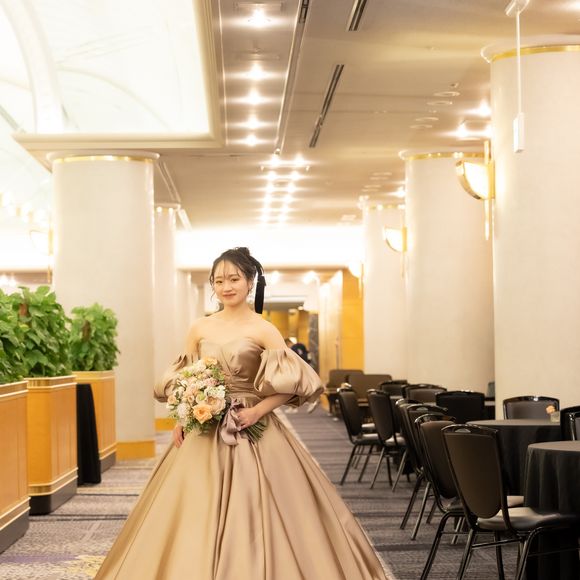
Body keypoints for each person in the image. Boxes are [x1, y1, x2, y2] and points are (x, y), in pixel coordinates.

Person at [95, 247, 387, 580]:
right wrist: (182, 418)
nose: (226, 287)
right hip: (203, 426)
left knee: (264, 506)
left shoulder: (264, 329)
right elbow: (187, 377)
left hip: (252, 425)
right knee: (191, 506)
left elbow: (294, 383)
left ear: (250, 282)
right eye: (218, 281)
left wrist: (258, 410)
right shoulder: (199, 328)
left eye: (233, 279)